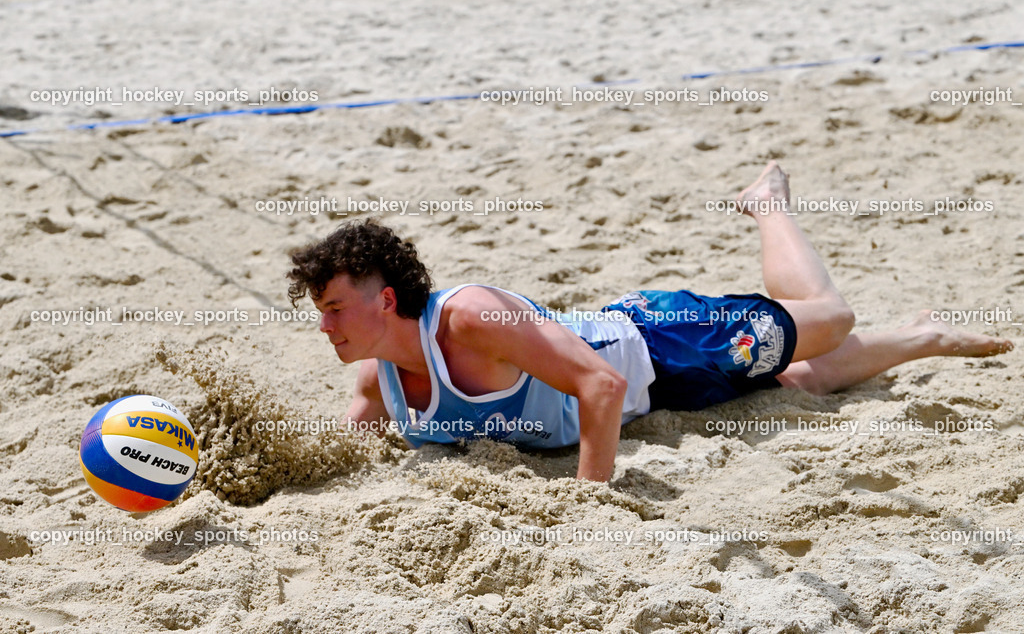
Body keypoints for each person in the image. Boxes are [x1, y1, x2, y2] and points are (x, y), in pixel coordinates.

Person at [286, 162, 1013, 483]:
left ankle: (766, 202)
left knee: (830, 319)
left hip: (661, 341)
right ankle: (925, 334)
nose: (325, 326)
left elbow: (599, 385)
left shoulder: (471, 319)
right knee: (801, 380)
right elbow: (353, 456)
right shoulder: (375, 380)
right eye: (319, 312)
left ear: (384, 301)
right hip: (655, 400)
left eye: (333, 308)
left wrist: (590, 503)